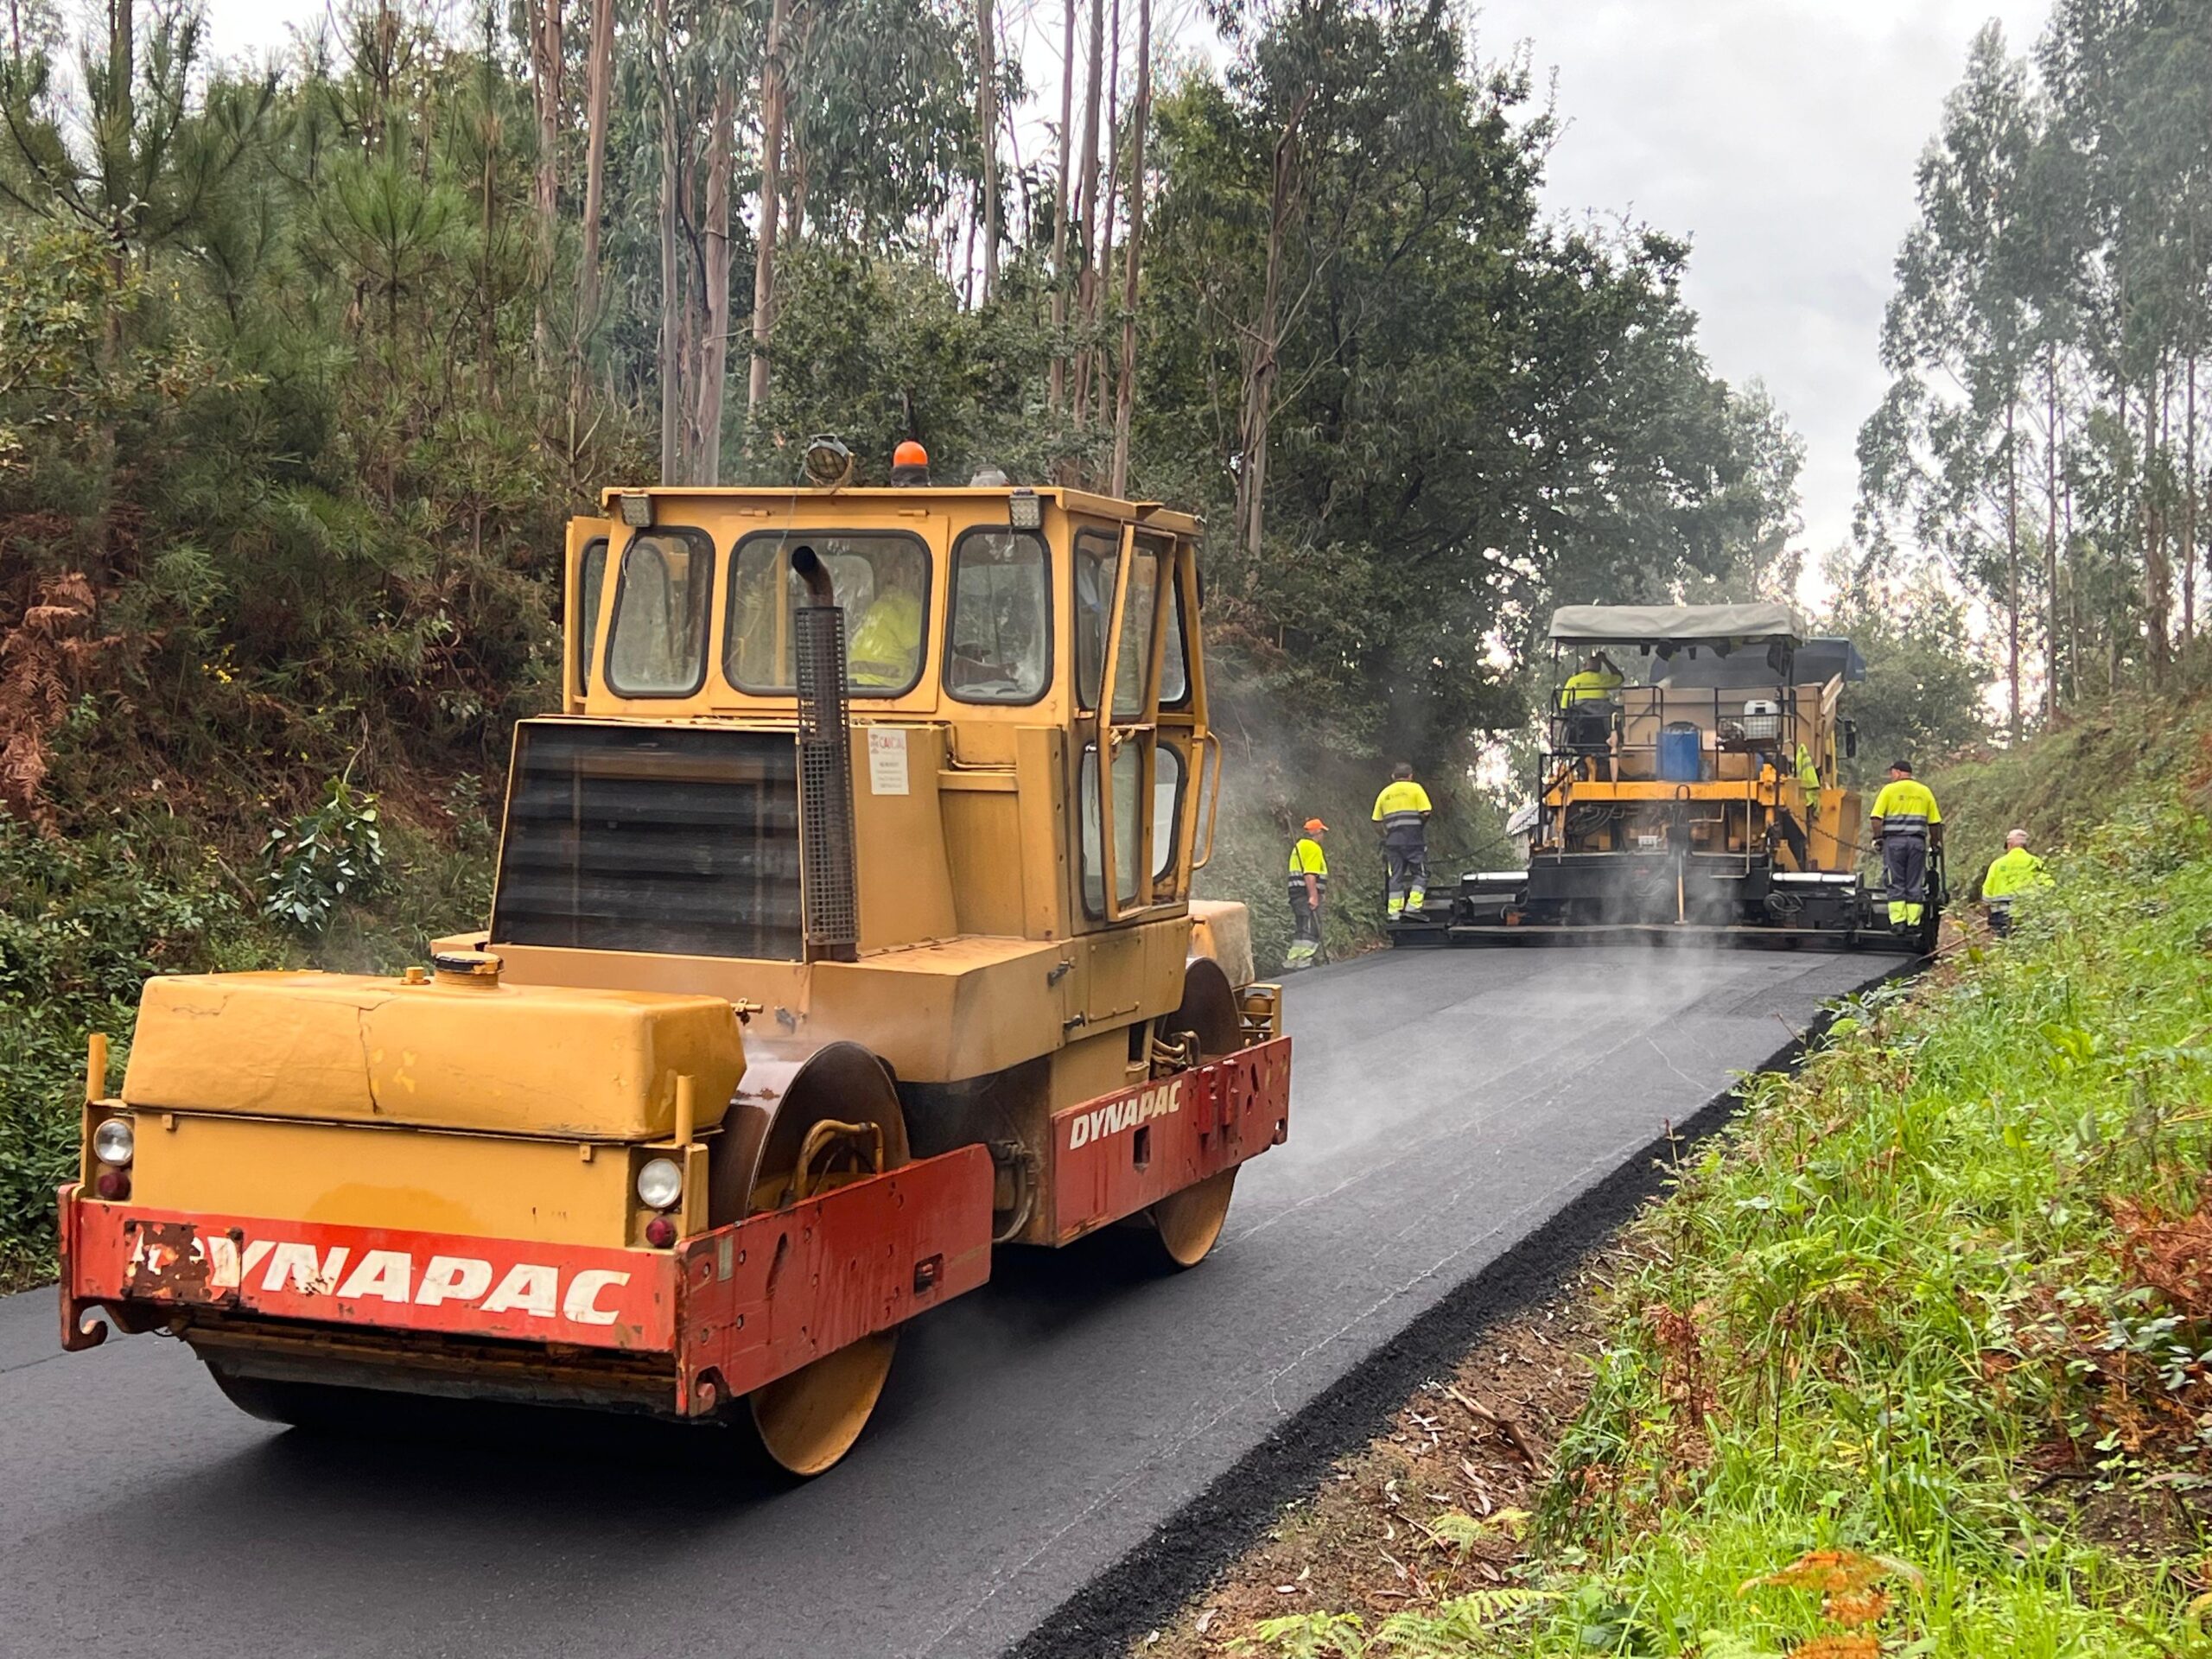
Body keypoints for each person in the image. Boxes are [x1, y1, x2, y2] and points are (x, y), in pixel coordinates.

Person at [1868, 759, 1942, 934]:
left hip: (1894, 843)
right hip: (1917, 843)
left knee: (1895, 880)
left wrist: (1878, 838)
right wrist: (1934, 844)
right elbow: (1935, 823)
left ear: (1898, 772)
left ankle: (1898, 922)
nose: (1891, 776)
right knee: (1915, 881)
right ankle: (1913, 923)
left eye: (1892, 773)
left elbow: (1876, 818)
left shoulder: (1889, 790)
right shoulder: (1924, 791)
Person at [1372, 763, 1433, 922]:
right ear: (1410, 776)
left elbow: (1376, 821)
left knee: (1395, 876)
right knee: (1421, 873)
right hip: (1413, 840)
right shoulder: (1416, 789)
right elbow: (1426, 812)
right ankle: (1413, 907)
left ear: (1393, 776)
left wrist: (1386, 835)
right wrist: (1419, 826)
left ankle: (1394, 912)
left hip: (1393, 842)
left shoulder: (1385, 793)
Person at [1981, 828, 2050, 938]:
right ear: (2025, 846)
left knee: (2005, 942)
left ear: (2009, 845)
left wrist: (1990, 917)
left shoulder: (1997, 865)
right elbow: (2048, 888)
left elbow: (1986, 896)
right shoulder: (2035, 862)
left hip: (2001, 916)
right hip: (2029, 913)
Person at [1285, 818, 1329, 969]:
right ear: (1316, 832)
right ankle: (1304, 958)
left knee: (1302, 926)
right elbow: (1310, 874)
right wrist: (1314, 896)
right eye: (1322, 832)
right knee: (1311, 926)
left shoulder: (1299, 846)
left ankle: (1293, 959)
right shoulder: (1313, 848)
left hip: (1296, 893)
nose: (1323, 835)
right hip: (1306, 893)